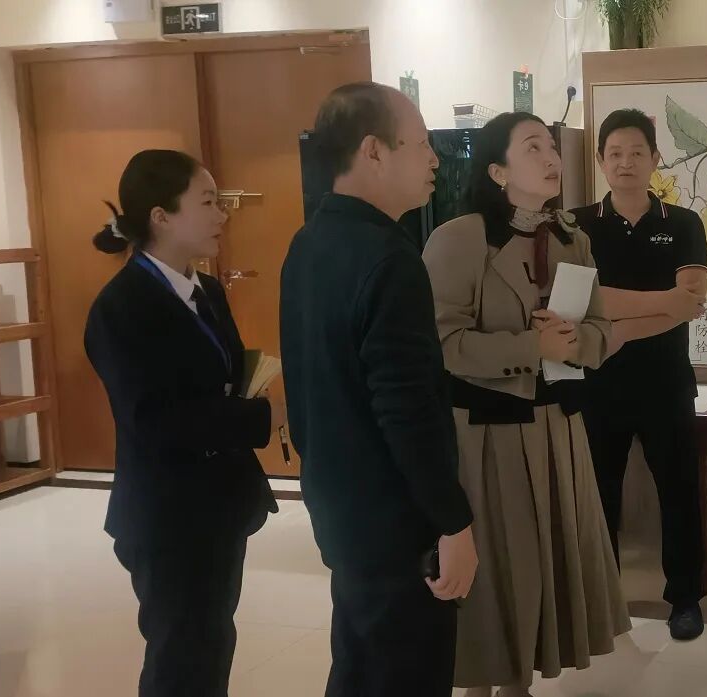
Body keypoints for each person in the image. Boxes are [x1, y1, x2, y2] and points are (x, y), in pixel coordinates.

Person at [423, 111, 631, 697]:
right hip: (487, 434)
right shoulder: (460, 238)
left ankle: (521, 687)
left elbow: (600, 331)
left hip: (558, 427)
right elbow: (441, 343)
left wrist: (573, 342)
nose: (550, 158)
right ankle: (481, 685)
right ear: (497, 171)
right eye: (532, 147)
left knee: (547, 570)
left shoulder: (572, 239)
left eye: (551, 146)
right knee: (496, 575)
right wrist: (531, 347)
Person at [279, 82, 477, 697]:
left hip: (339, 504)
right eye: (420, 144)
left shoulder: (308, 242)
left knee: (362, 664)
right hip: (394, 519)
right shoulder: (389, 258)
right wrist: (452, 523)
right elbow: (407, 409)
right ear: (373, 151)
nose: (435, 159)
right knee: (404, 670)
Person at [84, 149, 285, 697]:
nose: (223, 214)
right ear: (161, 216)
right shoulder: (122, 307)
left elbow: (220, 381)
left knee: (211, 644)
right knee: (180, 656)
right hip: (168, 515)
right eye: (208, 202)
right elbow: (155, 420)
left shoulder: (207, 290)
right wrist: (260, 418)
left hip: (218, 505)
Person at [570, 108, 707, 641]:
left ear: (654, 159)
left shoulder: (684, 223)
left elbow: (690, 303)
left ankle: (686, 598)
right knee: (596, 493)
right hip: (595, 381)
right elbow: (582, 301)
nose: (625, 162)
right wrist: (660, 302)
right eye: (615, 153)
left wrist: (618, 324)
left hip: (666, 381)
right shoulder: (576, 226)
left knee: (679, 491)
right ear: (600, 161)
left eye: (636, 153)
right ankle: (601, 599)